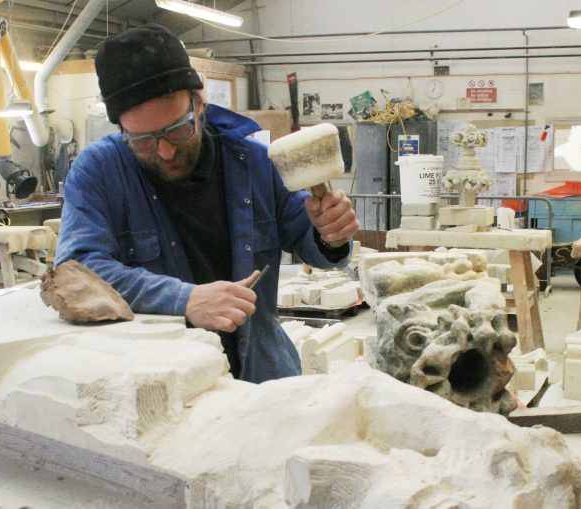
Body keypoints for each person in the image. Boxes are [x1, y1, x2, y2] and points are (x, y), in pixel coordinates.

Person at [55, 25, 359, 384]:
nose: (165, 151)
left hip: (262, 375)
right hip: (163, 386)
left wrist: (331, 234)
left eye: (176, 130)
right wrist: (183, 299)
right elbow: (77, 271)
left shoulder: (257, 162)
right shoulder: (99, 172)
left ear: (198, 104)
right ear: (121, 128)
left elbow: (314, 246)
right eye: (143, 141)